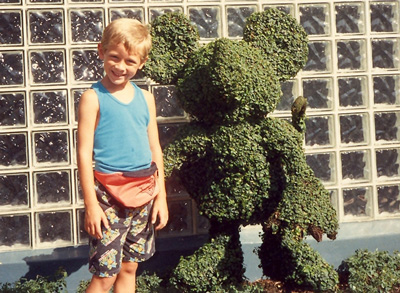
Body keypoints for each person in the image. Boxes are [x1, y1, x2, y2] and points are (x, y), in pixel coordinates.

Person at [77, 18, 169, 293]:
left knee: (129, 268)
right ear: (101, 51)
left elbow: (155, 148)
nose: (120, 66)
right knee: (105, 276)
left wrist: (161, 196)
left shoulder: (146, 98)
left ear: (142, 62)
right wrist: (91, 205)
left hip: (144, 193)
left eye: (130, 61)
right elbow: (83, 154)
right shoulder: (93, 98)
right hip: (107, 197)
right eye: (114, 57)